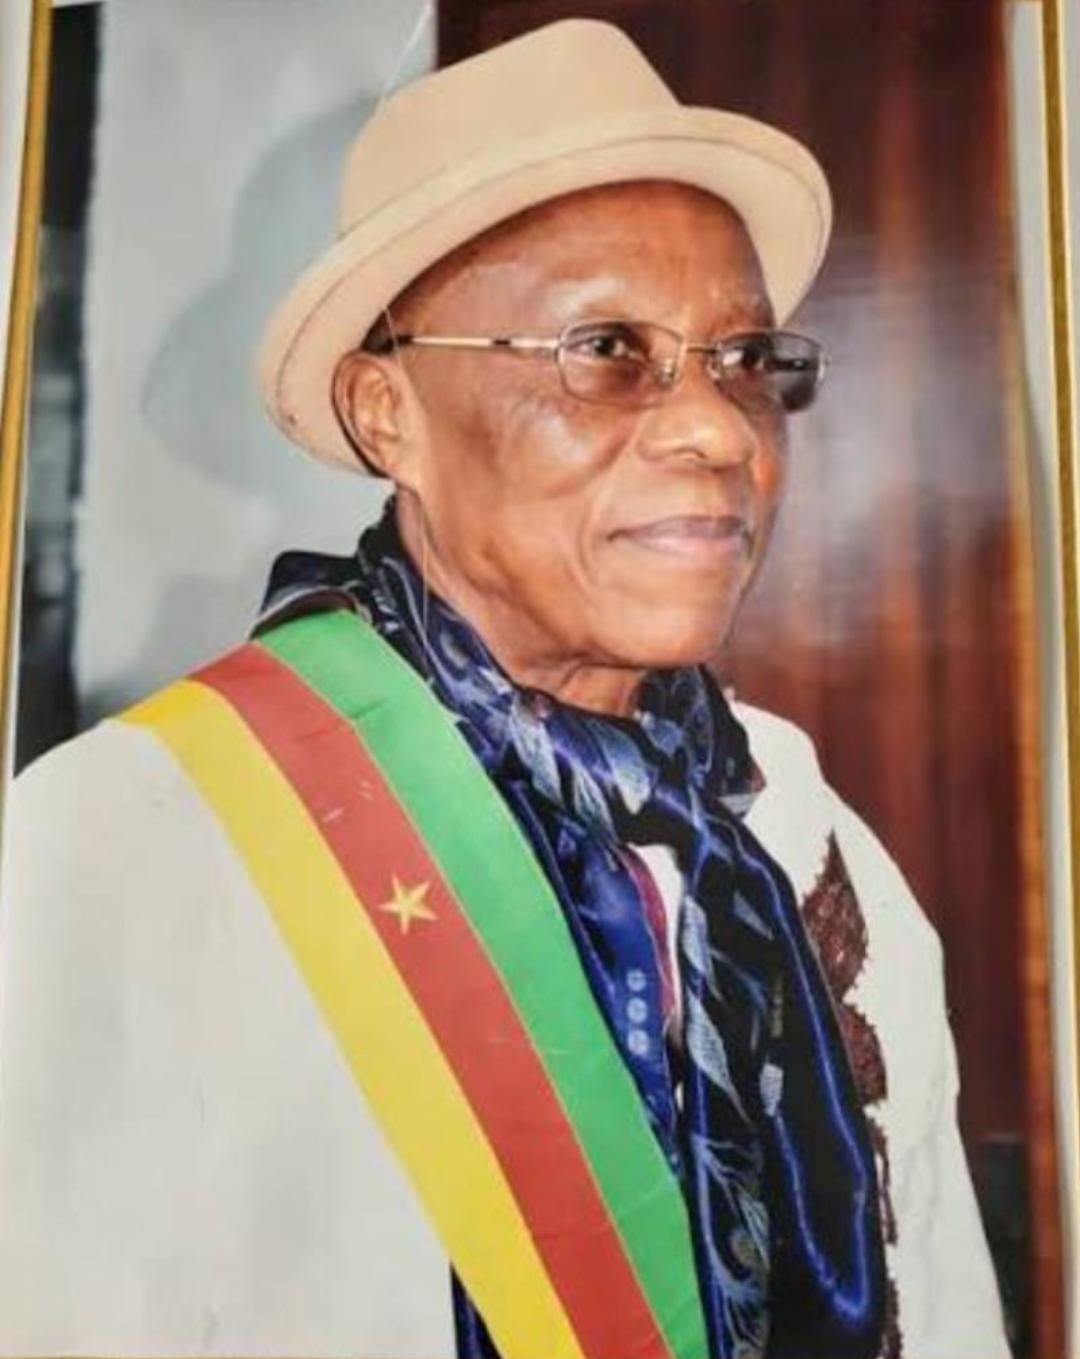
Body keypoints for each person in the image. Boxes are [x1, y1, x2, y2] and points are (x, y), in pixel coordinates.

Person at [0, 19, 1008, 1359]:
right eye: (607, 350)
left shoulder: (798, 832)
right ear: (388, 415)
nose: (718, 429)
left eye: (746, 360)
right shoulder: (135, 840)